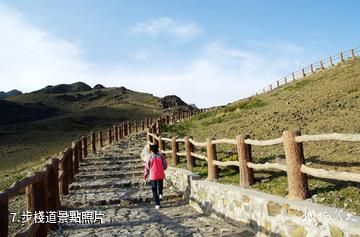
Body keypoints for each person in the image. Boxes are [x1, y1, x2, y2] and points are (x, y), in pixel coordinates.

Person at [144, 144, 168, 209]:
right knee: (160, 185)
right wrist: (163, 168)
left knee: (154, 189)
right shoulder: (161, 156)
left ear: (151, 150)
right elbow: (165, 164)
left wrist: (146, 174)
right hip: (160, 173)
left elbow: (147, 166)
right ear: (158, 148)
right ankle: (161, 193)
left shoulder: (149, 157)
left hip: (153, 175)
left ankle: (157, 204)